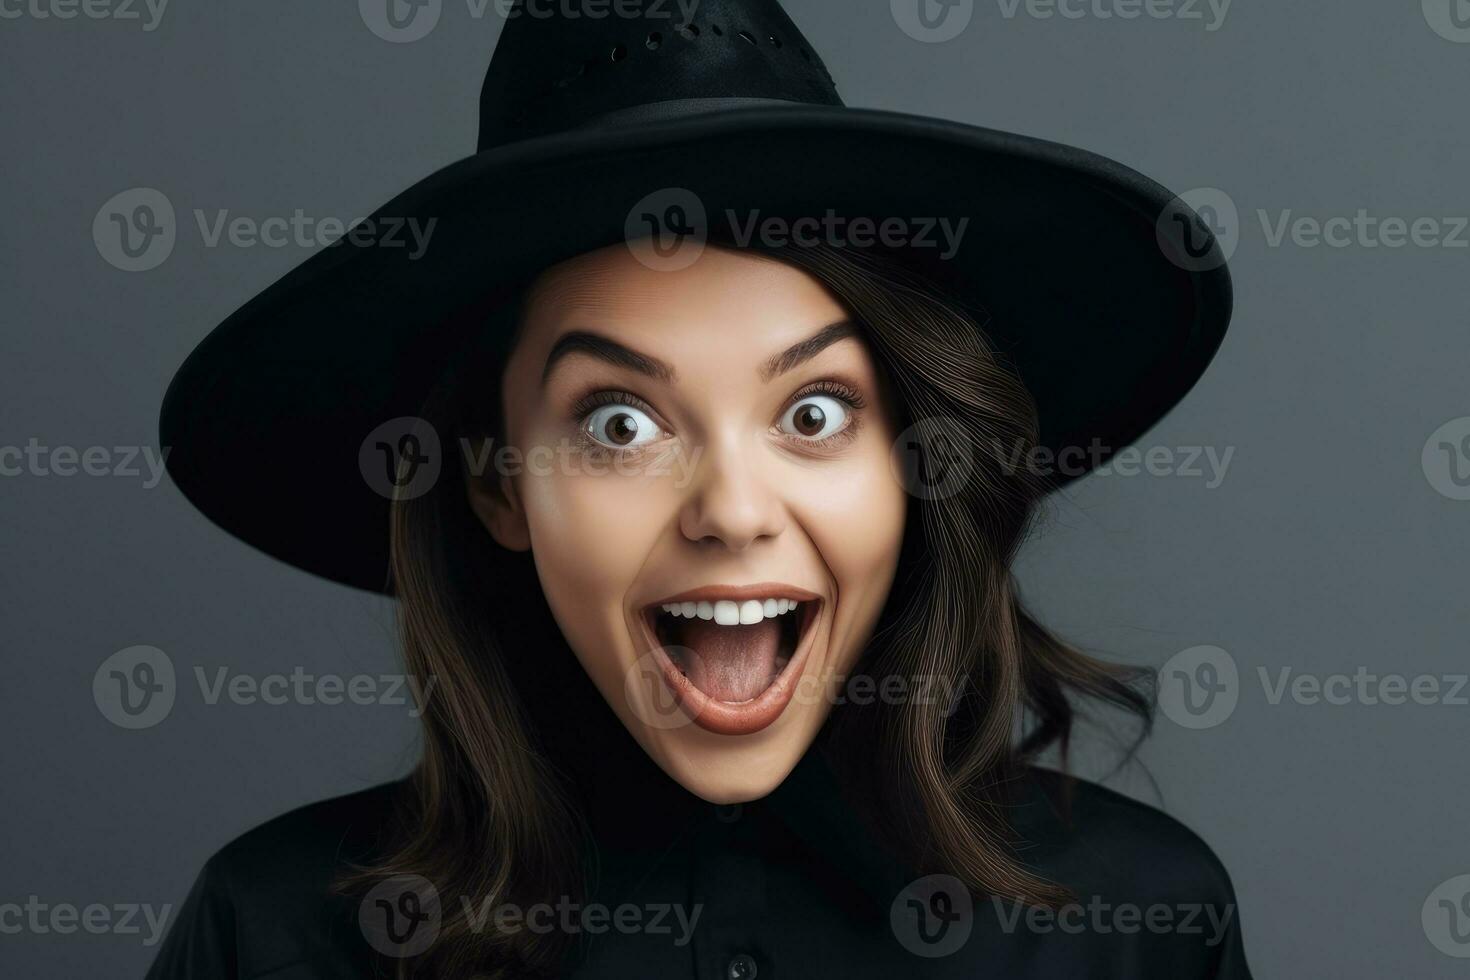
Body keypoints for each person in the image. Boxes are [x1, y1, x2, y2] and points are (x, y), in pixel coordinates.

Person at [148, 1, 1247, 977]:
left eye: (813, 413)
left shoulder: (1138, 925)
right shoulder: (279, 934)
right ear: (497, 485)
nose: (730, 507)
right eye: (620, 424)